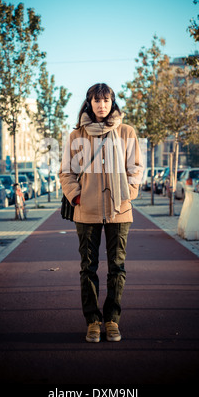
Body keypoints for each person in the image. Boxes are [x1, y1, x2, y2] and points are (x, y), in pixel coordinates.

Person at [59, 83, 143, 343]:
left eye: (106, 100)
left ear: (112, 103)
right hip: (87, 211)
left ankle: (112, 320)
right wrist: (76, 195)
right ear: (89, 103)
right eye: (97, 101)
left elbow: (136, 167)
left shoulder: (127, 132)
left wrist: (129, 191)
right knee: (88, 268)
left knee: (117, 267)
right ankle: (93, 321)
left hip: (120, 211)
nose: (101, 105)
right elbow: (66, 172)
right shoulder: (76, 136)